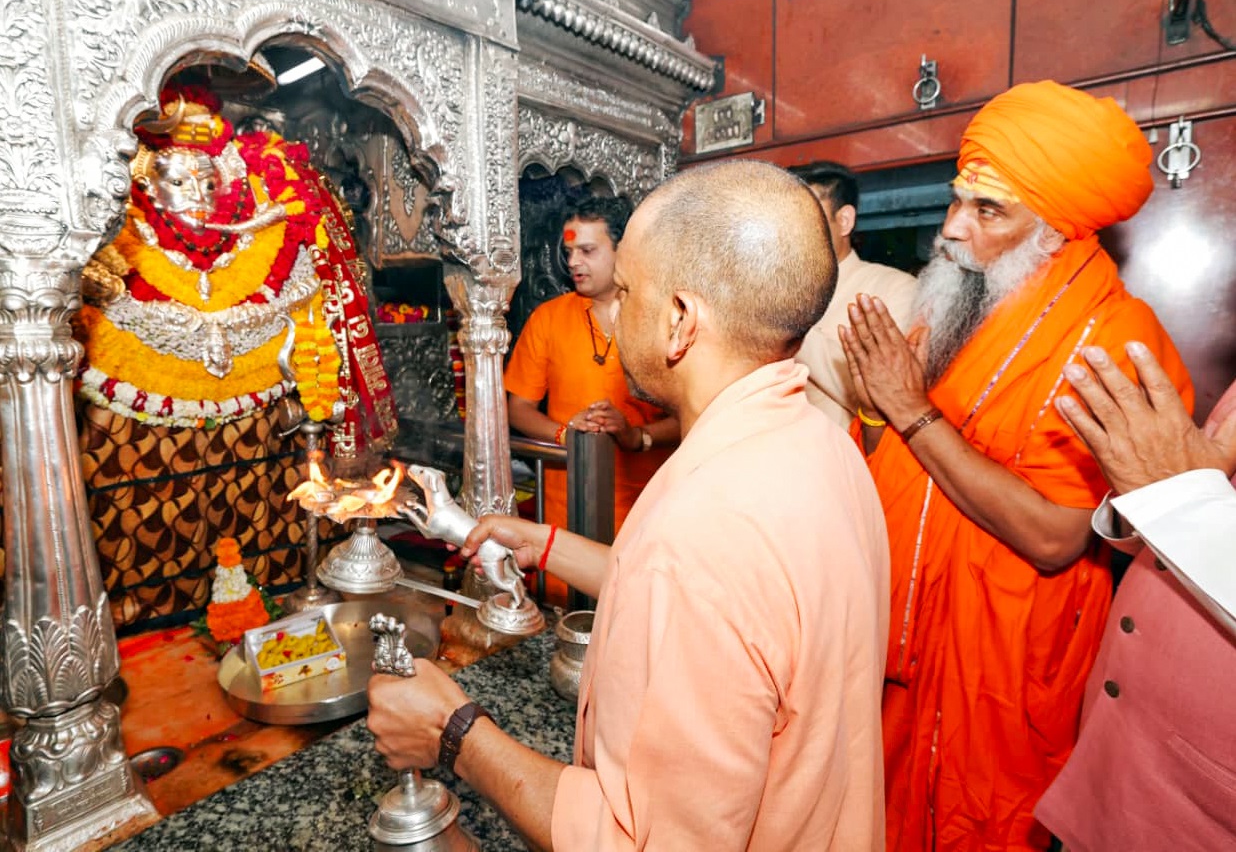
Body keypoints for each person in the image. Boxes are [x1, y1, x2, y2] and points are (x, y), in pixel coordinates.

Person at [368, 160, 890, 850]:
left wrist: (454, 731)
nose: (614, 313)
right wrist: (546, 545)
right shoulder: (827, 449)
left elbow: (634, 838)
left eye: (628, 291)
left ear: (680, 320)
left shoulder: (702, 530)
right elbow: (725, 612)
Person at [838, 80, 1195, 851]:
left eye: (988, 209)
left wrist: (909, 409)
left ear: (1056, 228)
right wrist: (874, 411)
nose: (951, 227)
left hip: (998, 669)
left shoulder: (1112, 340)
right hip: (900, 642)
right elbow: (905, 462)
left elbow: (1054, 536)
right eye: (957, 198)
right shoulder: (959, 298)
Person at [1034, 343, 1236, 851]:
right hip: (1120, 747)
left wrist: (1176, 496)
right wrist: (1148, 491)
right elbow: (1196, 497)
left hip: (1200, 797)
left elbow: (1190, 502)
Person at [504, 197, 678, 600]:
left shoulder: (663, 318)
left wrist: (636, 436)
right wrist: (567, 434)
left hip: (647, 506)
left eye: (587, 250)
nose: (573, 262)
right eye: (568, 252)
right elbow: (519, 409)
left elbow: (694, 417)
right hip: (567, 507)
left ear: (624, 250)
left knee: (639, 609)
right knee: (570, 620)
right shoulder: (549, 318)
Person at [795, 162, 918, 429]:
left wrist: (790, 322)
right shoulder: (773, 289)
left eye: (803, 218)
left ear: (844, 221)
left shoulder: (895, 288)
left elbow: (883, 398)